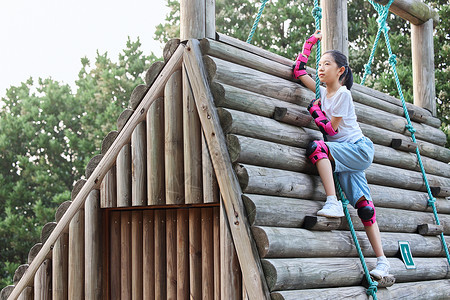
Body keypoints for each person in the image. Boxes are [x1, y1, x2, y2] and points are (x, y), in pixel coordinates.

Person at [293, 29, 390, 279]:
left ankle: (333, 202)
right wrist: (310, 43)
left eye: (327, 64)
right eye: (320, 64)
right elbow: (299, 71)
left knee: (318, 147)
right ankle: (382, 262)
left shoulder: (343, 95)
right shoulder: (322, 93)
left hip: (358, 149)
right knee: (365, 208)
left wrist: (315, 111)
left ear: (341, 71)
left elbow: (329, 129)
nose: (321, 68)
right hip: (344, 156)